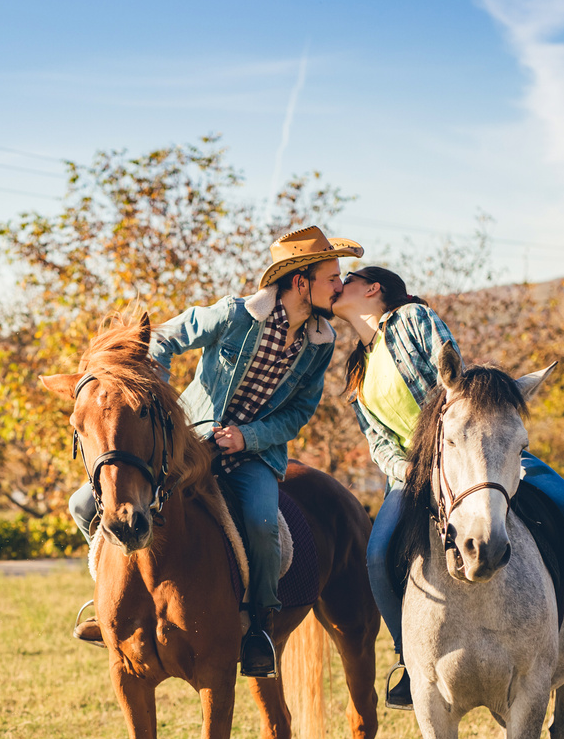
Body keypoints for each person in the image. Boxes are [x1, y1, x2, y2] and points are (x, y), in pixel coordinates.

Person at [334, 265, 564, 711]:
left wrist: (461, 437)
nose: (336, 285)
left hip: (474, 451)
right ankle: (408, 660)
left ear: (372, 289)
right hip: (412, 475)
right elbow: (376, 438)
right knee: (377, 553)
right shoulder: (357, 369)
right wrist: (404, 468)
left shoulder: (413, 320)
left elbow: (459, 381)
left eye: (345, 279)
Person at [69, 226, 363, 678]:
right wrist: (153, 393)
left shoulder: (320, 345)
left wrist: (250, 437)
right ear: (301, 281)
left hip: (253, 455)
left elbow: (301, 410)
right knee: (83, 502)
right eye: (331, 277)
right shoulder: (235, 316)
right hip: (189, 443)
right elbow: (166, 338)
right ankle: (108, 606)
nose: (339, 286)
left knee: (264, 526)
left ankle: (260, 627)